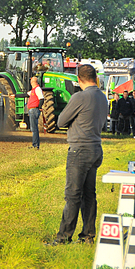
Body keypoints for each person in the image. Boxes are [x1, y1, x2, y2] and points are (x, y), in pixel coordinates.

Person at [47, 64, 108, 246]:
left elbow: (61, 120)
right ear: (95, 78)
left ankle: (64, 237)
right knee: (89, 195)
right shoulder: (103, 97)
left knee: (73, 195)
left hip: (79, 149)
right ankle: (88, 236)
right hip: (96, 147)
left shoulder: (79, 97)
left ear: (78, 79)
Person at [26, 77, 44, 149]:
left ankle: (35, 145)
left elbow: (41, 98)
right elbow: (26, 94)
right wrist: (15, 96)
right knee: (34, 128)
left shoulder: (37, 89)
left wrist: (39, 107)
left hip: (34, 110)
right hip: (32, 110)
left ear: (32, 82)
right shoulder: (33, 90)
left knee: (34, 129)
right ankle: (35, 144)